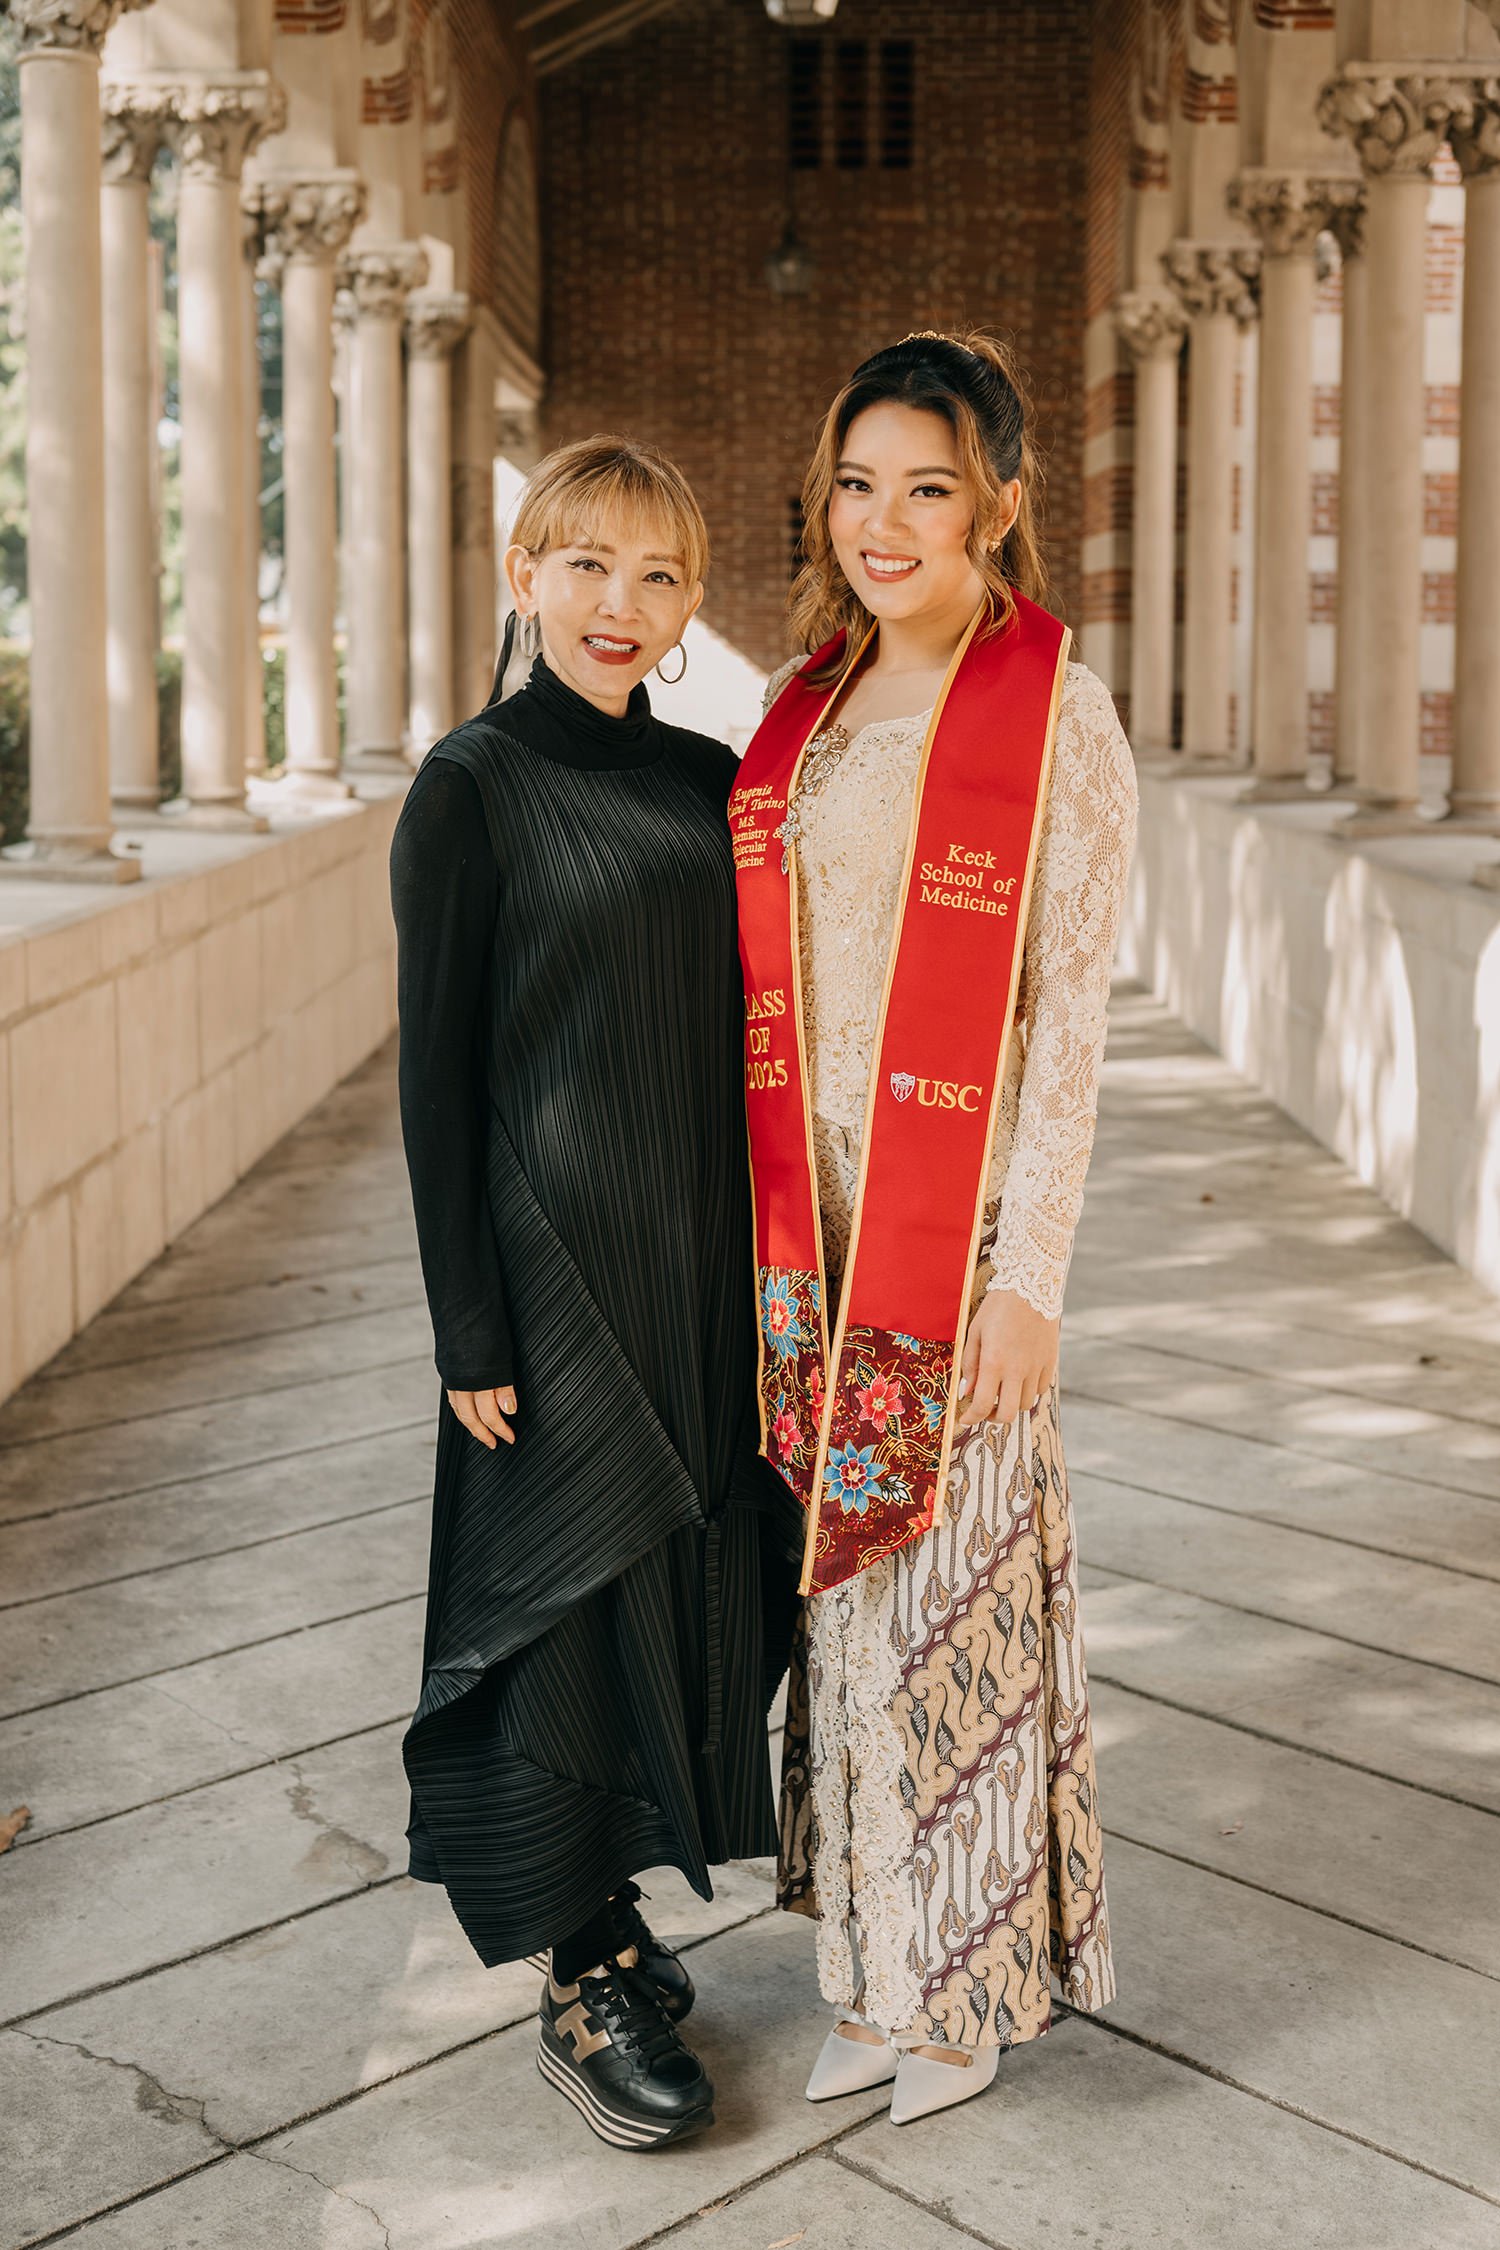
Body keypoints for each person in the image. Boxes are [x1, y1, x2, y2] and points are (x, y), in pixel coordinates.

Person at [729, 331, 1132, 2127]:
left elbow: (1067, 1013)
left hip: (955, 1237)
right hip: (808, 1237)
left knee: (953, 1601)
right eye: (860, 481)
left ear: (1001, 504)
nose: (885, 522)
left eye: (931, 486)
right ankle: (873, 1967)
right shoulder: (802, 710)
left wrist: (1034, 1273)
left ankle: (961, 1987)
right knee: (847, 1614)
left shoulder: (1056, 708)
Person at [390, 436, 801, 2151]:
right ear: (524, 575)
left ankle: (618, 1914)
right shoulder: (469, 784)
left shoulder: (717, 780)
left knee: (689, 1581)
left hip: (699, 1260)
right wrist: (467, 1322)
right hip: (551, 1274)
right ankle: (577, 1975)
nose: (617, 606)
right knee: (556, 1601)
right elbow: (436, 1071)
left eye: (656, 576)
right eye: (585, 567)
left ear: (691, 601)